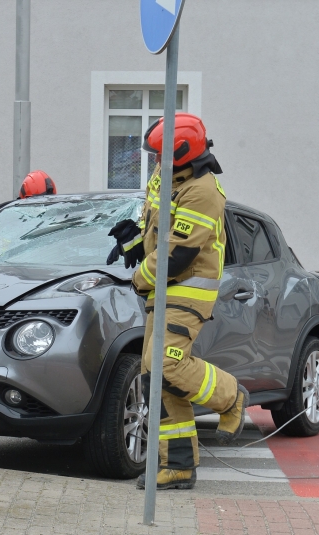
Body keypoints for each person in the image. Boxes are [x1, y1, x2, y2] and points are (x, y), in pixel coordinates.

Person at [110, 114, 248, 491]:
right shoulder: (168, 176)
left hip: (188, 289)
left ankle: (230, 394)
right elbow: (160, 228)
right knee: (158, 377)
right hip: (165, 289)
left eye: (160, 157)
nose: (155, 164)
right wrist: (136, 241)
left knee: (165, 365)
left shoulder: (204, 191)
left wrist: (139, 277)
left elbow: (178, 255)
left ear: (183, 156)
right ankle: (179, 466)